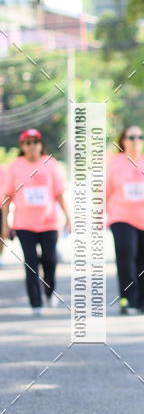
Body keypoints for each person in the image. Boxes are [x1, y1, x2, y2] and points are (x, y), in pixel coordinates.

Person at [1, 128, 71, 315]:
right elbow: (7, 197)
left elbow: (59, 194)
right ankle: (36, 302)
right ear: (22, 146)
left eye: (35, 142)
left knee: (50, 260)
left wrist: (68, 218)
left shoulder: (50, 164)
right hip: (24, 224)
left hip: (48, 223)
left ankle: (48, 291)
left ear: (41, 145)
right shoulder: (15, 166)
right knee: (30, 262)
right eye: (27, 143)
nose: (32, 146)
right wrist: (5, 225)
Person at [106, 125, 144, 314]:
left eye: (139, 137)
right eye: (131, 137)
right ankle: (127, 300)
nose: (135, 141)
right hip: (120, 217)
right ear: (123, 141)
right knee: (126, 256)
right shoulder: (114, 163)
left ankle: (143, 301)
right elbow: (105, 191)